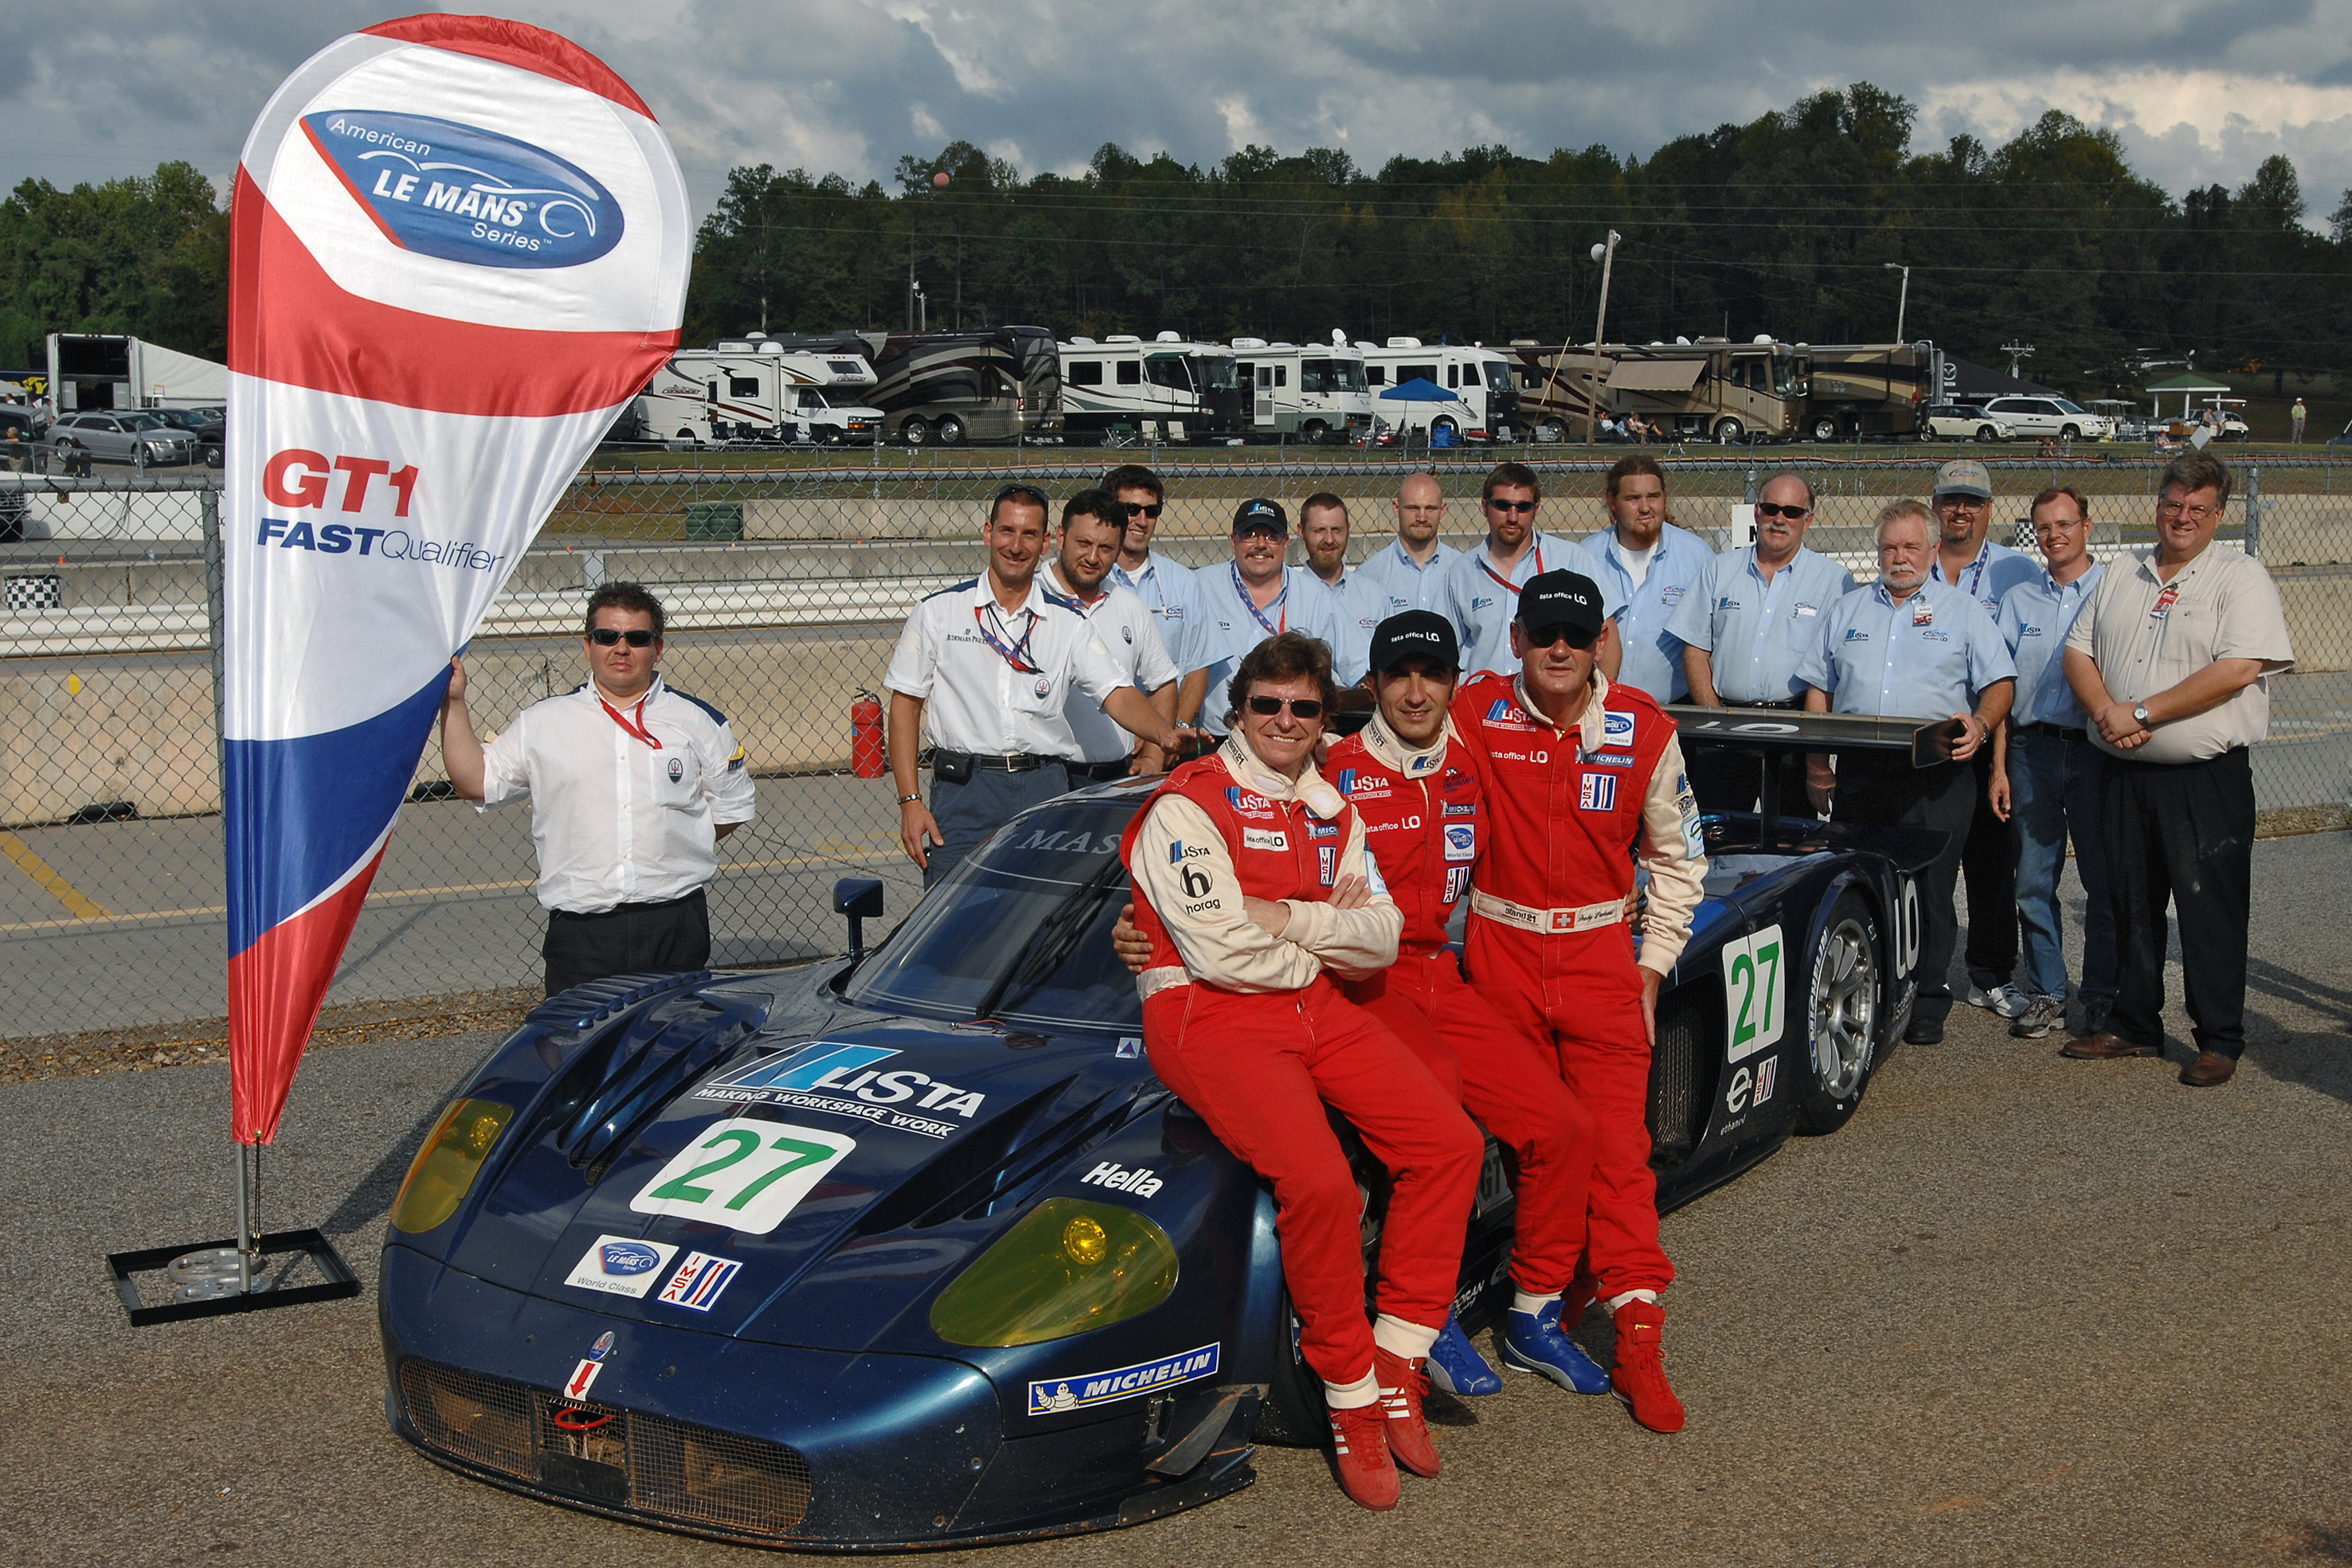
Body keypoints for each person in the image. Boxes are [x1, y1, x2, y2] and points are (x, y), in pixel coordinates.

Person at [1118, 632, 1483, 1510]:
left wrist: (1285, 915)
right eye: (1265, 705)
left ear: (1326, 720)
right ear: (1236, 710)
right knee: (1318, 1182)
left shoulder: (1333, 807)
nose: (1284, 721)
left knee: (1449, 1144)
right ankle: (1351, 1395)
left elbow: (1385, 935)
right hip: (1209, 1017)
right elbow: (1221, 952)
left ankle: (1399, 1359)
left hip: (1311, 1004)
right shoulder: (1187, 801)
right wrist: (1325, 926)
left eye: (1304, 708)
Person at [1450, 570, 1708, 1434]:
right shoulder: (1472, 709)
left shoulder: (1645, 728)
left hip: (1601, 958)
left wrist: (1651, 966)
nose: (1557, 650)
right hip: (1500, 949)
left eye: (1574, 635)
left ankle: (1637, 1336)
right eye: (1541, 634)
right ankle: (1505, 1305)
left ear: (1600, 641)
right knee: (1510, 1140)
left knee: (1615, 1153)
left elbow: (1679, 862)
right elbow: (1375, 770)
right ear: (1517, 637)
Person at [2060, 452, 2295, 1088]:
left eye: (2196, 508)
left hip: (2202, 781)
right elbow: (2077, 651)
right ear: (2156, 504)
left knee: (2207, 909)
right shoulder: (2122, 571)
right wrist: (2107, 714)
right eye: (2172, 503)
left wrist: (2140, 710)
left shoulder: (2239, 577)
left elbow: (2237, 668)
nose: (2181, 517)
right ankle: (2133, 1021)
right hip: (2119, 771)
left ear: (2217, 514)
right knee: (2128, 900)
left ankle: (2218, 1037)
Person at [438, 582, 755, 996]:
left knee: (670, 1052)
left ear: (658, 649)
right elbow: (474, 780)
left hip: (673, 923)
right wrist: (454, 703)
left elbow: (730, 810)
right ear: (588, 646)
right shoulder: (544, 723)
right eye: (608, 636)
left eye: (637, 638)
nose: (621, 648)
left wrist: (669, 842)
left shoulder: (699, 722)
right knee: (580, 1053)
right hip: (582, 933)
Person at [885, 483, 1194, 887]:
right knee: (952, 919)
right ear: (988, 533)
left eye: (1029, 534)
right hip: (965, 791)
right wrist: (910, 801)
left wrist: (1163, 735)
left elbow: (1116, 692)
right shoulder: (939, 612)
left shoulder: (1068, 621)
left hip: (1044, 788)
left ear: (1046, 541)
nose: (1016, 545)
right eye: (1007, 531)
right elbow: (905, 704)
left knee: (1039, 921)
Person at [1798, 499, 2017, 1046]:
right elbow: (1818, 688)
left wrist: (1983, 724)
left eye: (1910, 546)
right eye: (1890, 547)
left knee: (1930, 890)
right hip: (1862, 770)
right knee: (1864, 881)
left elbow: (1999, 684)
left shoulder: (1962, 611)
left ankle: (1927, 997)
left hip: (1936, 769)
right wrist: (1816, 763)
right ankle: (1867, 988)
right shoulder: (1847, 610)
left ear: (1933, 549)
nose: (1899, 557)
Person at [1991, 485, 2114, 1042]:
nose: (2053, 535)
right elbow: (2000, 688)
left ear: (2086, 526)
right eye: (2043, 526)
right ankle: (2046, 991)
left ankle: (2103, 995)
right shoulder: (2019, 600)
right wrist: (1998, 765)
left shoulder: (2113, 590)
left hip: (2093, 750)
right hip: (2030, 750)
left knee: (2101, 878)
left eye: (2064, 523)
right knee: (2032, 877)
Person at [1668, 470, 1857, 812]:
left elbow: (1834, 668)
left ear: (1808, 519)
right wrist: (1714, 717)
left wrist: (1817, 760)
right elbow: (1695, 649)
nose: (1780, 519)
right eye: (1771, 509)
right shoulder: (1719, 570)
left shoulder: (1834, 581)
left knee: (1791, 844)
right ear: (1757, 512)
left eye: (1792, 512)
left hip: (1795, 731)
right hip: (1725, 727)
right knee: (1719, 840)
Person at [1927, 458, 2040, 1019]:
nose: (1960, 510)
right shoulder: (1912, 563)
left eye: (1972, 501)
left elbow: (2013, 672)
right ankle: (1920, 973)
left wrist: (1998, 759)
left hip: (1988, 731)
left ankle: (1990, 972)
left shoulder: (2013, 571)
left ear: (1989, 509)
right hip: (1925, 735)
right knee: (1925, 860)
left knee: (1991, 858)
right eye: (1950, 500)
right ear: (1935, 506)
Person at [1436, 461, 1622, 682]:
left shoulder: (1570, 558)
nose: (1513, 517)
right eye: (1503, 505)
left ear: (1536, 509)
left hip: (1552, 705)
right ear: (1485, 507)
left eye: (1523, 507)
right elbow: (1442, 649)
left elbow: (1606, 635)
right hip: (1482, 705)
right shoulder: (1462, 571)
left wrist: (1603, 702)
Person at [1043, 487, 1182, 781]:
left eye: (1106, 548)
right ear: (1060, 537)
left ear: (1119, 551)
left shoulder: (1130, 607)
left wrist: (1154, 756)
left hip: (1116, 775)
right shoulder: (1032, 599)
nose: (1092, 557)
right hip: (1047, 775)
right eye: (1083, 543)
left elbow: (1163, 683)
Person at [1189, 497, 1348, 732]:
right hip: (1217, 737)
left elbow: (1345, 671)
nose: (1260, 544)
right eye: (1250, 534)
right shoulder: (1200, 586)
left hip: (1288, 734)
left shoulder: (1316, 597)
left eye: (1271, 536)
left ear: (1285, 544)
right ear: (1234, 542)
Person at [1575, 454, 1715, 703]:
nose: (1645, 508)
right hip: (1601, 708)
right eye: (1633, 498)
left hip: (1673, 710)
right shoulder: (1586, 557)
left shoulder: (1696, 555)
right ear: (1613, 502)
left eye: (1653, 496)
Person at [1102, 463, 1211, 729]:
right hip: (1105, 736)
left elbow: (1198, 667)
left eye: (1151, 512)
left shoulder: (1183, 582)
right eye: (1131, 510)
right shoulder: (1092, 579)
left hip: (1165, 735)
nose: (1142, 521)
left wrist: (1172, 733)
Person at [1295, 491, 1390, 682]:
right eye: (1319, 530)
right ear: (1301, 531)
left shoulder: (1374, 596)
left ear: (1348, 529)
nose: (1329, 539)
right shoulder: (1290, 597)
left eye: (1336, 530)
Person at [1357, 471, 1458, 616]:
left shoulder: (1463, 571)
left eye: (1430, 508)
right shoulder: (1370, 576)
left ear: (1442, 510)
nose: (1422, 517)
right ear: (1396, 508)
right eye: (1413, 508)